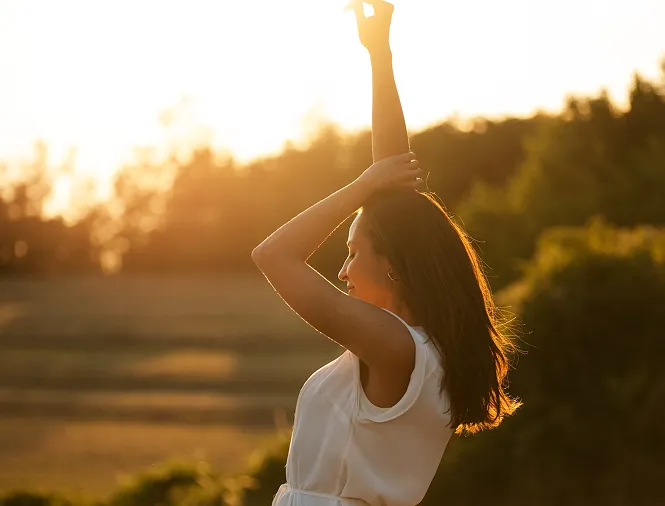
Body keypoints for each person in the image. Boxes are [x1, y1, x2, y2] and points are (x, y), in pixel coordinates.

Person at [251, 1, 522, 505]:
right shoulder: (419, 348)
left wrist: (361, 185)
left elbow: (274, 255)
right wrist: (380, 57)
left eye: (353, 253)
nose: (343, 269)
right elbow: (395, 182)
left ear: (395, 266)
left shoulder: (398, 349)